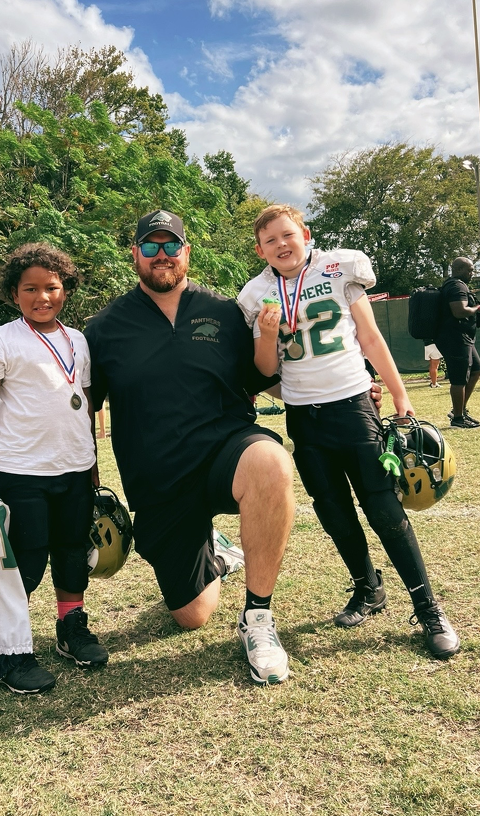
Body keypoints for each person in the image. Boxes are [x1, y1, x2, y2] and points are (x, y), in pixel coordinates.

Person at [79, 209, 298, 686]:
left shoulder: (222, 311)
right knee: (192, 614)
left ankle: (258, 619)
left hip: (226, 449)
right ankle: (217, 555)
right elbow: (75, 409)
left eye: (171, 245)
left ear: (186, 253)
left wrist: (349, 387)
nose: (162, 255)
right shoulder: (104, 328)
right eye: (151, 246)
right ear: (135, 254)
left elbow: (265, 377)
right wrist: (7, 436)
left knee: (272, 464)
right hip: (158, 479)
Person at [238, 204, 460, 660]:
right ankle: (368, 587)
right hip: (303, 415)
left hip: (354, 405)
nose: (281, 245)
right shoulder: (256, 293)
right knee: (333, 510)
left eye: (287, 235)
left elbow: (371, 337)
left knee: (382, 508)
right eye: (270, 240)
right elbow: (263, 372)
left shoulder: (338, 268)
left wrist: (400, 395)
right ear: (260, 249)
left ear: (305, 234)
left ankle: (428, 607)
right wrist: (265, 335)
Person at [0, 242, 107, 695]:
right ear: (13, 293)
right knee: (28, 560)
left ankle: (70, 626)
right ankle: (10, 648)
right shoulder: (2, 339)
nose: (43, 297)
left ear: (66, 289)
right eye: (31, 289)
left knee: (72, 551)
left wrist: (93, 466)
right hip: (23, 472)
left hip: (76, 469)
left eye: (52, 287)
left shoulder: (77, 340)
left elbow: (85, 407)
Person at [434, 257, 480, 429]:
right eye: (470, 270)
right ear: (460, 270)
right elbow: (459, 311)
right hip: (455, 338)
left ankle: (458, 410)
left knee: (476, 369)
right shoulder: (456, 286)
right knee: (459, 378)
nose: (472, 273)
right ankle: (458, 419)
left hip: (463, 337)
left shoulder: (457, 285)